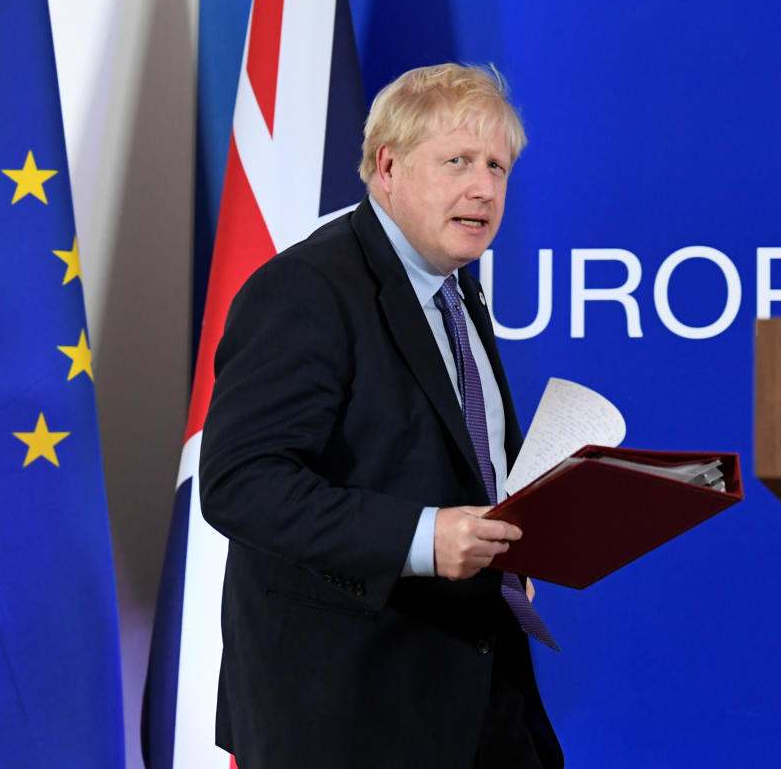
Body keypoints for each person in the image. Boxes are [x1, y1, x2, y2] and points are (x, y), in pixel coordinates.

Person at [199, 63, 563, 769]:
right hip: (348, 712)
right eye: (457, 161)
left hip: (479, 693)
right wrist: (427, 537)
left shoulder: (457, 295)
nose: (484, 188)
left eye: (498, 166)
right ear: (388, 167)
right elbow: (242, 483)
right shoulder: (306, 290)